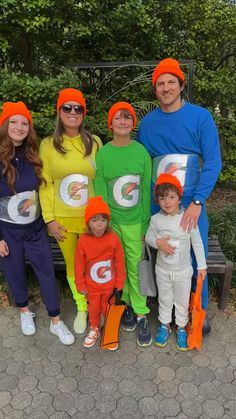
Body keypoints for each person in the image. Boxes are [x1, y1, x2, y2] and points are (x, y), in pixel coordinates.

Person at [137, 58, 222, 335]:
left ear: (181, 85)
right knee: (163, 257)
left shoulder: (200, 117)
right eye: (160, 84)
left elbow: (212, 162)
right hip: (159, 208)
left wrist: (197, 201)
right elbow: (140, 163)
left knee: (197, 259)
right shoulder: (147, 124)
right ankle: (166, 311)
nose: (165, 87)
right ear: (155, 90)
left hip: (190, 208)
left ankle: (199, 310)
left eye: (171, 81)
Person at [0, 101, 74, 345]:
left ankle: (55, 320)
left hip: (35, 229)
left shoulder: (34, 155)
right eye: (14, 122)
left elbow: (46, 189)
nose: (19, 127)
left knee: (46, 272)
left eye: (24, 123)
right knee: (15, 273)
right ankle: (24, 311)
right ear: (4, 125)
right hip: (8, 231)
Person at [39, 88, 102, 334]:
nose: (73, 112)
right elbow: (45, 183)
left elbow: (102, 181)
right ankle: (82, 307)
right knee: (73, 265)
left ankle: (97, 303)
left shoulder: (94, 142)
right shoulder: (48, 145)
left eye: (78, 108)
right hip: (63, 221)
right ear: (59, 112)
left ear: (84, 113)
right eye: (67, 107)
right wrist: (49, 219)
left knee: (93, 263)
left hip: (92, 220)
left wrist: (101, 216)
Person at [94, 102, 152, 347]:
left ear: (133, 123)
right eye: (118, 118)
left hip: (134, 223)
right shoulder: (104, 154)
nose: (123, 122)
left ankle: (140, 312)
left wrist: (143, 225)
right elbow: (100, 190)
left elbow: (147, 190)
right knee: (118, 267)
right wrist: (104, 223)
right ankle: (125, 303)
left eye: (127, 117)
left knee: (136, 266)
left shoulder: (141, 152)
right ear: (110, 123)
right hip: (113, 223)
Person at [145, 174, 207, 350]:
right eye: (162, 197)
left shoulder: (187, 218)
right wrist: (157, 242)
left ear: (180, 198)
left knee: (181, 300)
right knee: (164, 299)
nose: (167, 201)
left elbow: (197, 242)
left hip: (183, 272)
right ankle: (164, 325)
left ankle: (181, 327)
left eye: (172, 196)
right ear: (157, 200)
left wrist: (202, 266)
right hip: (162, 271)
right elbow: (149, 237)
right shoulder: (156, 219)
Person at [74, 196, 126, 349]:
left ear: (107, 222)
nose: (99, 225)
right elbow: (78, 264)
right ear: (88, 222)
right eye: (94, 220)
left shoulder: (113, 238)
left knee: (108, 308)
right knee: (94, 308)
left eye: (103, 220)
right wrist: (80, 282)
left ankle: (109, 330)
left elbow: (119, 262)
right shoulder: (83, 240)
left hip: (109, 286)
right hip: (92, 287)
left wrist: (119, 282)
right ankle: (95, 327)